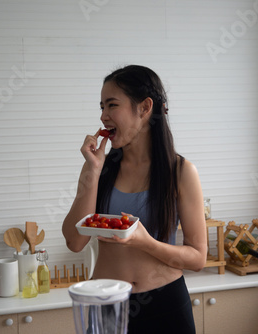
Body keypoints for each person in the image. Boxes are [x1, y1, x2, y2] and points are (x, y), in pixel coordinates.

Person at [62, 65, 208, 333]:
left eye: (112, 105)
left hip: (166, 305)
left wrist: (145, 243)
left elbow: (198, 258)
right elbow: (74, 241)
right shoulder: (99, 167)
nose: (103, 116)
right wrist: (93, 171)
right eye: (101, 107)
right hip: (106, 304)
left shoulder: (181, 172)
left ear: (144, 108)